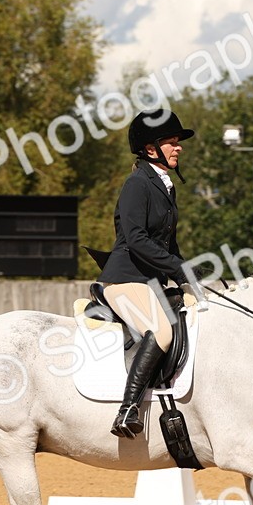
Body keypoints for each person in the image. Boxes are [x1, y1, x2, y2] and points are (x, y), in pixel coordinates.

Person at [97, 108, 195, 438]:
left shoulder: (164, 187)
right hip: (124, 278)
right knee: (162, 332)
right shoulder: (137, 184)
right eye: (171, 142)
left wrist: (188, 279)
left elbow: (169, 244)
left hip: (149, 282)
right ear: (150, 149)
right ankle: (128, 410)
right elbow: (137, 240)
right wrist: (178, 270)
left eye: (178, 142)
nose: (178, 147)